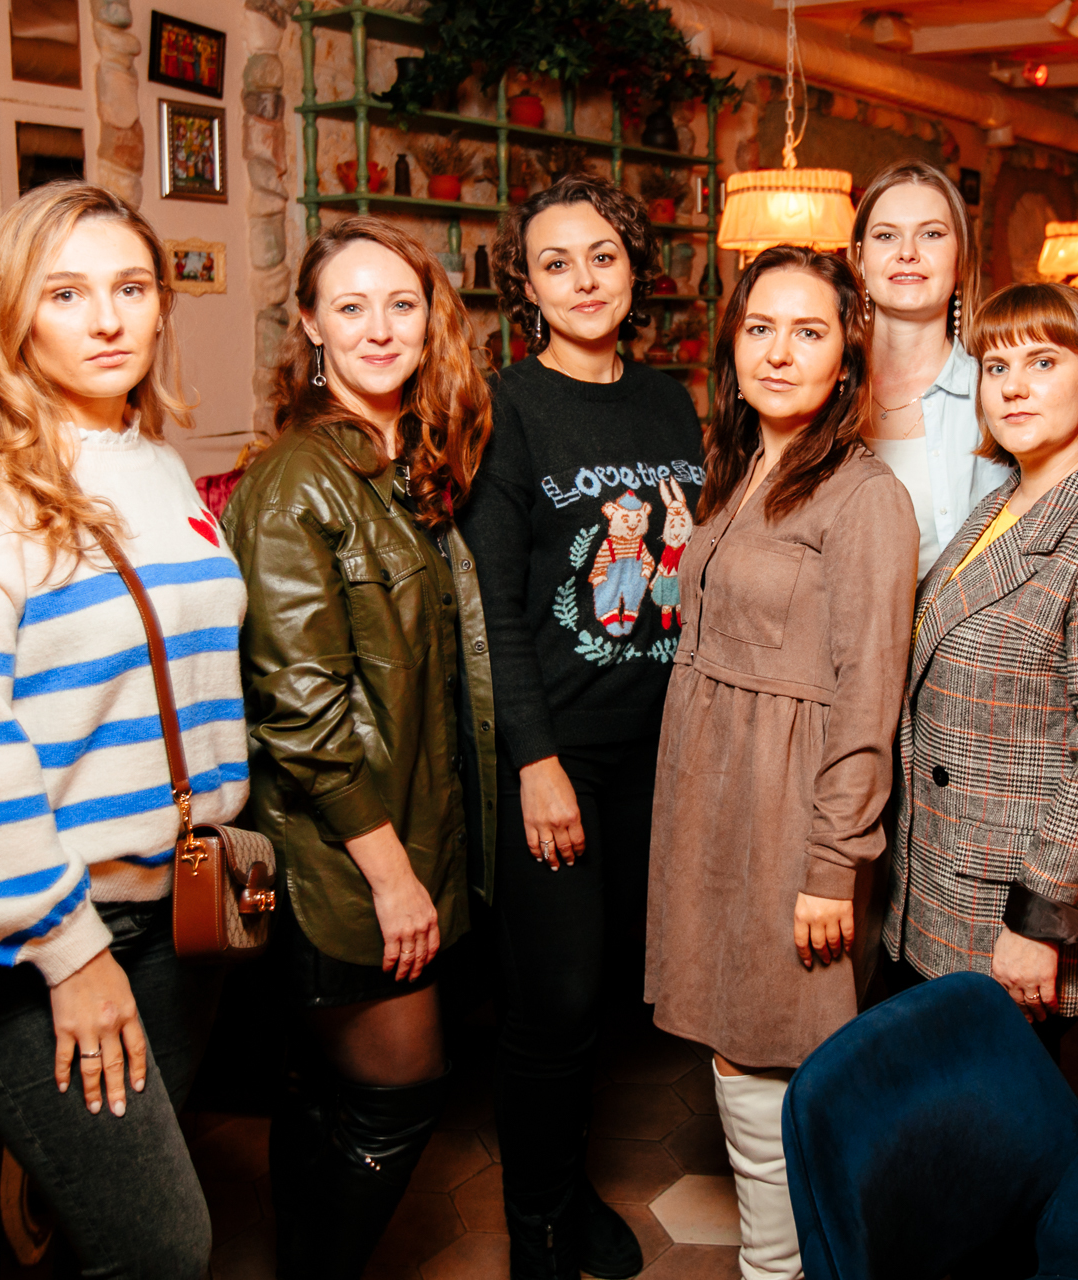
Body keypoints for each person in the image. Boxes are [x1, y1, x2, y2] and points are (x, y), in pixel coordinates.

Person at [0, 181, 246, 1279]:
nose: (108, 319)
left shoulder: (154, 462)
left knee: (100, 1223)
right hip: (45, 937)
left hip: (177, 912)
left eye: (132, 287)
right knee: (163, 1248)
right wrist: (70, 951)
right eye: (67, 292)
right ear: (12, 314)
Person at [223, 217, 496, 1278]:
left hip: (403, 833)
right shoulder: (299, 479)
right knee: (399, 1090)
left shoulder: (403, 462)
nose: (380, 329)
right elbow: (302, 714)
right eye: (350, 307)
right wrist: (392, 878)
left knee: (324, 1091)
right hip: (344, 858)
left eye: (401, 305)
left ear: (430, 319)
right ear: (310, 325)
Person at [646, 245, 917, 1280]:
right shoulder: (735, 464)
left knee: (775, 1045)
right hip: (716, 792)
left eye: (809, 332)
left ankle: (782, 1267)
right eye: (761, 328)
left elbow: (869, 693)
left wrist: (832, 862)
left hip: (789, 805)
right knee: (737, 1041)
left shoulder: (865, 496)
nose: (779, 352)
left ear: (848, 356)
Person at [459, 175, 704, 1278]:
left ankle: (569, 1187)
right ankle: (539, 1225)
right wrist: (537, 760)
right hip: (559, 753)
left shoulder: (671, 403)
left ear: (635, 268)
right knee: (552, 995)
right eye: (555, 263)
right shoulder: (507, 405)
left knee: (605, 983)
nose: (584, 280)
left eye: (602, 255)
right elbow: (496, 608)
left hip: (660, 747)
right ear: (526, 285)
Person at [883, 282, 1078, 1039]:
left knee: (995, 1107)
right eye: (996, 366)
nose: (1013, 386)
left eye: (1042, 362)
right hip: (947, 875)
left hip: (1015, 907)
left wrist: (1042, 918)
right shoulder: (999, 509)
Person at [849, 160, 1010, 579]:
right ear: (860, 259)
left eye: (932, 234)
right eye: (886, 235)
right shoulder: (824, 389)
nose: (907, 253)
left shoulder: (999, 394)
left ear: (961, 259)